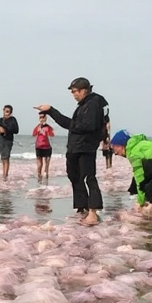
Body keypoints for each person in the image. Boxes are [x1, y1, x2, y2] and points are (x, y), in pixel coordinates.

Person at [35, 77, 108, 225]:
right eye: (72, 92)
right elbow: (76, 125)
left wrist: (52, 111)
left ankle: (93, 213)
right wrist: (51, 111)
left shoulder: (93, 103)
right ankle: (82, 209)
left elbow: (86, 126)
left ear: (84, 90)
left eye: (75, 91)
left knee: (88, 177)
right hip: (75, 147)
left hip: (85, 147)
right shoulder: (84, 104)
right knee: (75, 176)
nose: (73, 95)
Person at [0, 105, 20, 180]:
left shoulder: (12, 120)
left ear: (11, 113)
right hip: (1, 140)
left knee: (6, 157)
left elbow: (4, 130)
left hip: (8, 140)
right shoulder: (0, 120)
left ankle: (5, 175)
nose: (7, 113)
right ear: (3, 111)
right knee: (3, 157)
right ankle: (4, 174)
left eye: (8, 112)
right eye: (6, 111)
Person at [32, 112, 55, 184]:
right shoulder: (37, 127)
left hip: (47, 146)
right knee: (39, 163)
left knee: (47, 163)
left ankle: (46, 175)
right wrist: (38, 130)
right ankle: (39, 176)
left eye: (43, 117)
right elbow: (33, 134)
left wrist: (46, 131)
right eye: (40, 118)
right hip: (39, 146)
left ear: (45, 118)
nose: (41, 119)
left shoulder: (48, 127)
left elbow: (52, 135)